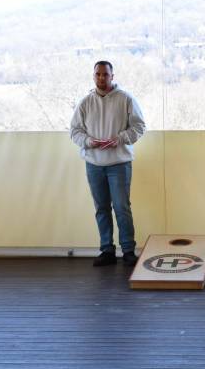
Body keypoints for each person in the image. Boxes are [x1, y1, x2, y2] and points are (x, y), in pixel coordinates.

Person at [70, 61, 146, 267]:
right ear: (93, 76)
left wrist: (120, 138)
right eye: (98, 74)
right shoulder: (85, 102)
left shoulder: (126, 99)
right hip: (94, 164)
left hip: (119, 164)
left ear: (112, 76)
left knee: (122, 207)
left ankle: (128, 250)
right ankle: (107, 250)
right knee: (101, 208)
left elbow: (139, 127)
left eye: (105, 74)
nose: (101, 78)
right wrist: (88, 142)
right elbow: (75, 131)